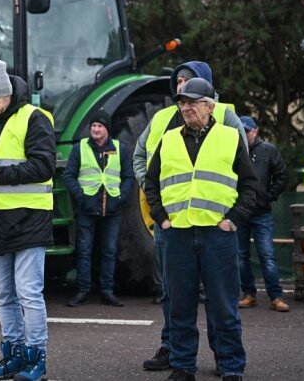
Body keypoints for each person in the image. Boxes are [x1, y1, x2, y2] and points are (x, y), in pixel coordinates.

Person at [133, 61, 246, 372]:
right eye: (179, 82)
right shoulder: (162, 123)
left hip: (215, 228)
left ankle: (227, 361)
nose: (182, 87)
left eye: (189, 82)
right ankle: (175, 354)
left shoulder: (226, 119)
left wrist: (233, 216)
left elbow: (245, 174)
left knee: (221, 302)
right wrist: (157, 205)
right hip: (174, 227)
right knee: (175, 297)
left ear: (207, 97)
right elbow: (142, 157)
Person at [0, 59, 55, 381]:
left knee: (29, 292)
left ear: (7, 94)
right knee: (3, 293)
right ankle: (14, 354)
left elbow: (45, 165)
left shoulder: (34, 118)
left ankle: (37, 357)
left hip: (30, 217)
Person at [63, 109, 134, 307]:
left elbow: (129, 177)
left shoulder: (119, 149)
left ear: (107, 130)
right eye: (93, 126)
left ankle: (107, 291)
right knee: (84, 250)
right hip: (87, 208)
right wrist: (81, 197)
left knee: (109, 251)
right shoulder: (80, 148)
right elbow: (68, 176)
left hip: (112, 208)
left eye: (99, 126)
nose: (95, 129)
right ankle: (83, 290)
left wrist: (121, 197)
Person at [235, 116, 290, 312]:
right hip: (239, 212)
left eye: (247, 130)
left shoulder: (268, 150)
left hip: (260, 212)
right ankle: (249, 294)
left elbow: (282, 175)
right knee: (241, 257)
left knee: (267, 256)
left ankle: (276, 296)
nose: (244, 134)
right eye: (241, 130)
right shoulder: (234, 150)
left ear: (255, 131)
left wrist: (269, 196)